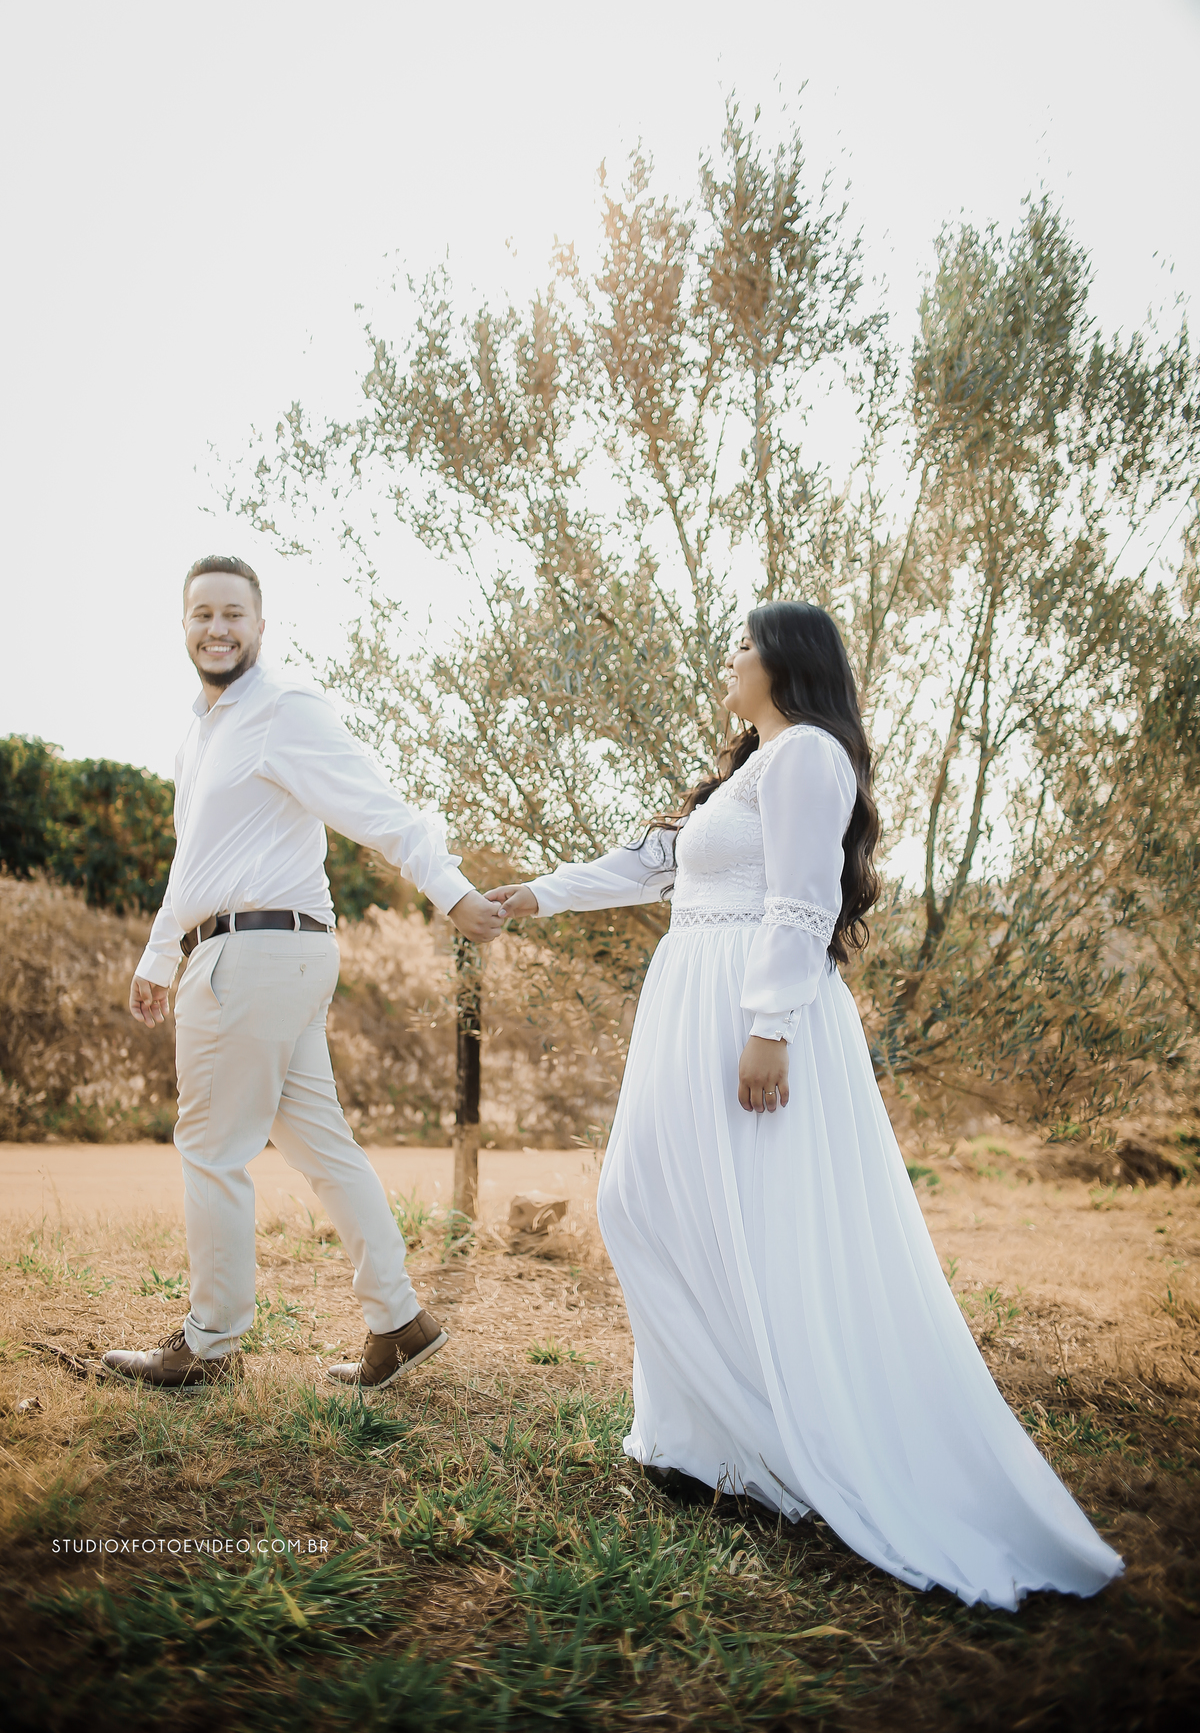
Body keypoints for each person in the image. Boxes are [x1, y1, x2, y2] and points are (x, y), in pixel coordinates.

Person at [487, 600, 1123, 1611]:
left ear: (785, 661)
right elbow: (649, 866)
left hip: (747, 1009)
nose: (728, 658)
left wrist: (771, 1025)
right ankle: (714, 1440)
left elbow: (800, 898)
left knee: (755, 1225)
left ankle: (760, 1449)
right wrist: (534, 895)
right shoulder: (749, 769)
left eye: (742, 645)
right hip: (690, 1003)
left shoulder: (809, 757)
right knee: (644, 1204)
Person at [105, 555, 504, 1392]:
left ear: (260, 624)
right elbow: (196, 860)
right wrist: (159, 952)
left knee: (211, 1149)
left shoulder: (283, 708)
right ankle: (399, 1321)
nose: (217, 628)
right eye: (202, 613)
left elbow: (377, 806)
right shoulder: (200, 734)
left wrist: (451, 891)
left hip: (254, 953)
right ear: (184, 625)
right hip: (260, 952)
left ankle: (209, 1344)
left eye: (233, 614)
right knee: (319, 1143)